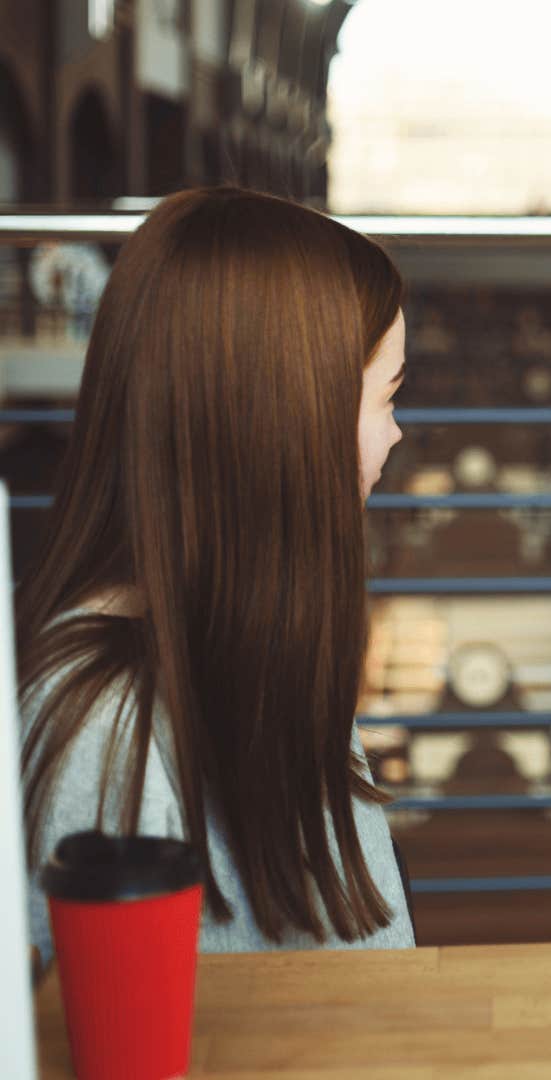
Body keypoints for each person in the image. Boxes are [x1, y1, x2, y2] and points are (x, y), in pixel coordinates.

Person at [20, 187, 414, 968]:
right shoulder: (102, 729)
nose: (397, 433)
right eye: (386, 396)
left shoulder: (258, 645)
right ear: (289, 421)